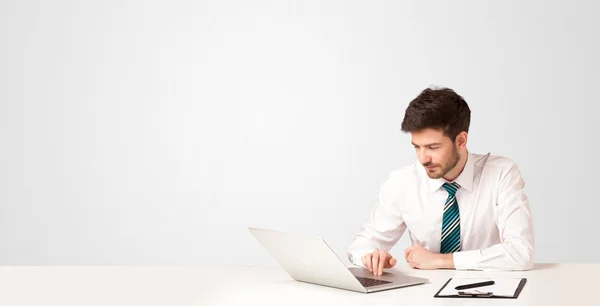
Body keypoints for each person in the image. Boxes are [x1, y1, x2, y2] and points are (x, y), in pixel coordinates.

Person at [347, 87, 534, 275]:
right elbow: (361, 246)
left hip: (487, 292)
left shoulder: (501, 174)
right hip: (425, 296)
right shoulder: (403, 182)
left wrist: (440, 260)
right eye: (417, 147)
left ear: (461, 140)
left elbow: (520, 253)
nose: (423, 158)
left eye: (433, 147)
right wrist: (371, 257)